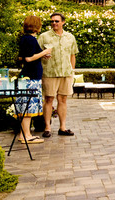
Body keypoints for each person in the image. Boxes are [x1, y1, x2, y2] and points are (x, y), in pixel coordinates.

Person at [38, 12, 78, 137]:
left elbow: (72, 55)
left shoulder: (70, 37)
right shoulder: (44, 37)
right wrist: (43, 56)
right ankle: (47, 128)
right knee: (49, 99)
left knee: (63, 100)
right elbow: (36, 54)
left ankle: (62, 128)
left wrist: (72, 71)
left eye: (56, 21)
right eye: (52, 21)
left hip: (66, 73)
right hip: (49, 73)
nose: (54, 23)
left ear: (63, 22)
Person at [17, 15, 51, 144]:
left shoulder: (25, 39)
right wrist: (45, 52)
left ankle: (23, 134)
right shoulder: (30, 39)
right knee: (28, 106)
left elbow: (22, 57)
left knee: (24, 106)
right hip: (31, 78)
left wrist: (42, 55)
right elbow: (29, 58)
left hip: (27, 76)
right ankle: (27, 135)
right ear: (36, 26)